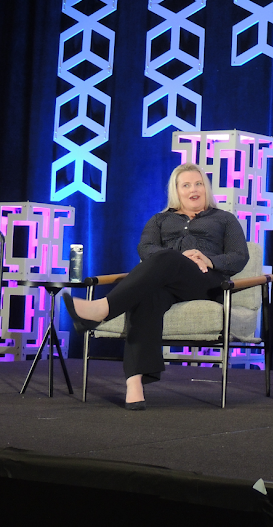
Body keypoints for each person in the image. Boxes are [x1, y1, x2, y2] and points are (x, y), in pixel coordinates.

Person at [62, 163, 249, 410]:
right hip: (167, 284)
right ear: (176, 191)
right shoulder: (160, 219)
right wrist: (178, 258)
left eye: (198, 184)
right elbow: (145, 249)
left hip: (205, 282)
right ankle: (134, 383)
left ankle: (104, 308)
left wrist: (208, 260)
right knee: (147, 296)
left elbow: (239, 256)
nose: (193, 190)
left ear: (206, 188)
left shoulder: (224, 219)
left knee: (168, 257)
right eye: (186, 185)